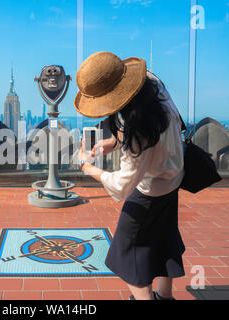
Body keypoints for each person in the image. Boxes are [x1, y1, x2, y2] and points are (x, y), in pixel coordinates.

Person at [75, 51, 185, 300]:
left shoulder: (138, 135)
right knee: (164, 237)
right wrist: (113, 142)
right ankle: (165, 296)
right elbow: (148, 121)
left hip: (151, 191)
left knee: (126, 252)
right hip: (173, 176)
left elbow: (122, 185)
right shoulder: (150, 83)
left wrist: (86, 167)